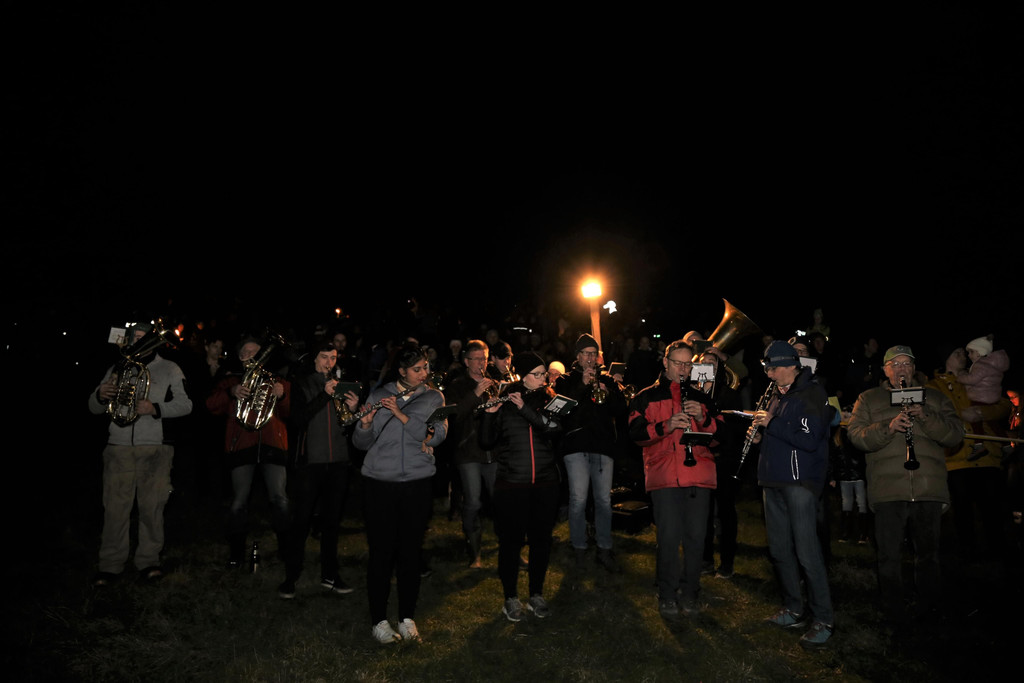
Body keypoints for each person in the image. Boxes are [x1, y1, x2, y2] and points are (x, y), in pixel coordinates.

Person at [847, 345, 963, 627]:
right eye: (895, 364)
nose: (901, 369)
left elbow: (955, 435)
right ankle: (893, 611)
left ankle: (929, 609)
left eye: (906, 364)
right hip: (888, 490)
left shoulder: (935, 397)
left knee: (928, 556)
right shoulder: (869, 398)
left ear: (913, 368)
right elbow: (856, 436)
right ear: (885, 370)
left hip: (928, 488)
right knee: (888, 555)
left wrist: (925, 416)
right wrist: (888, 428)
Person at [352, 342, 447, 644]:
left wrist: (403, 415)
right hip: (379, 483)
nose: (423, 373)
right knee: (381, 552)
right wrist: (365, 425)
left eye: (425, 367)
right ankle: (378, 621)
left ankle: (407, 617)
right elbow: (361, 444)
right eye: (417, 369)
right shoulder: (379, 395)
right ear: (402, 371)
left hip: (417, 483)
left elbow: (437, 436)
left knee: (410, 552)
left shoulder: (434, 397)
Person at [87, 320, 193, 585]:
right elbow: (93, 408)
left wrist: (156, 408)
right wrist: (100, 395)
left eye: (146, 337)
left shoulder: (170, 368)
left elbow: (186, 404)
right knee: (115, 509)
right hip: (118, 448)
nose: (140, 341)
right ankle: (110, 565)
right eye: (136, 337)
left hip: (155, 448)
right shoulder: (117, 366)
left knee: (152, 508)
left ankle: (149, 561)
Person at [748, 340, 834, 649]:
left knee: (807, 553)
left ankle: (823, 618)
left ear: (788, 366)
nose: (769, 375)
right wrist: (760, 437)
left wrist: (772, 422)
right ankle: (794, 608)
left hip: (799, 483)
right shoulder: (776, 395)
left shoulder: (812, 393)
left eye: (772, 369)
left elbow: (808, 439)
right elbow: (781, 435)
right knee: (780, 550)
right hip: (772, 480)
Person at [628, 339, 718, 619]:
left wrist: (703, 418)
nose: (683, 369)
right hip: (665, 475)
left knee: (696, 538)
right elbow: (635, 433)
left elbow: (721, 438)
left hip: (699, 475)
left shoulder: (702, 397)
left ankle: (690, 592)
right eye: (678, 363)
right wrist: (666, 426)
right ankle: (667, 594)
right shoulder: (646, 396)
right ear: (665, 363)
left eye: (688, 364)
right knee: (668, 538)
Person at [479, 351, 563, 622]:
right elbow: (485, 441)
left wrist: (524, 409)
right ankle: (510, 597)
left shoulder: (550, 399)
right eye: (536, 374)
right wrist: (489, 415)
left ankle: (536, 593)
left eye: (544, 374)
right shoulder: (505, 399)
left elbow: (552, 429)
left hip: (545, 482)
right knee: (510, 542)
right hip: (512, 483)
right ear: (523, 376)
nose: (543, 379)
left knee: (541, 541)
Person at [278, 342, 360, 599]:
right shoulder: (302, 383)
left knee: (331, 522)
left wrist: (353, 410)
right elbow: (298, 419)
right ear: (314, 359)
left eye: (333, 358)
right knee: (301, 520)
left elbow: (346, 423)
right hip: (310, 463)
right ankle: (291, 576)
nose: (329, 362)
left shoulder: (341, 384)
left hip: (338, 462)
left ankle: (330, 575)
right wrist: (324, 395)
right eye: (324, 357)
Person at [206, 335, 292, 568]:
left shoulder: (277, 379)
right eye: (248, 352)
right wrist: (230, 391)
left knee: (280, 499)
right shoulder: (230, 380)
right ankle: (236, 554)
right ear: (241, 356)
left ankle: (287, 550)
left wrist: (282, 395)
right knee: (239, 501)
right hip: (241, 447)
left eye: (258, 353)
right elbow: (210, 406)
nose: (253, 356)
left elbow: (290, 413)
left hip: (273, 447)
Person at [929, 343, 1011, 561]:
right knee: (963, 511)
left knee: (993, 509)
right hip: (956, 459)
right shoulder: (933, 386)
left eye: (964, 352)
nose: (963, 356)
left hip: (987, 456)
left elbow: (1004, 405)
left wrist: (981, 413)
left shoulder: (979, 376)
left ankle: (1000, 554)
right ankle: (968, 554)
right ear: (945, 358)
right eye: (957, 353)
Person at [554, 333, 628, 572]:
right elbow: (561, 410)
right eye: (585, 353)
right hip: (576, 446)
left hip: (603, 446)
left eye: (593, 354)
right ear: (577, 356)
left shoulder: (606, 378)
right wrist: (581, 386)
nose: (589, 358)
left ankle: (604, 548)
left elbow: (621, 410)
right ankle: (579, 547)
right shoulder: (565, 380)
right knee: (578, 499)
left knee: (604, 501)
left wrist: (611, 391)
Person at [443, 339, 498, 568]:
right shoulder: (457, 385)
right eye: (476, 359)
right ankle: (474, 551)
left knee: (501, 501)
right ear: (466, 362)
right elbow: (454, 415)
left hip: (492, 452)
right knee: (473, 502)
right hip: (468, 451)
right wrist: (476, 393)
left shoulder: (494, 383)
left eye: (483, 359)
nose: (481, 363)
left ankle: (510, 548)